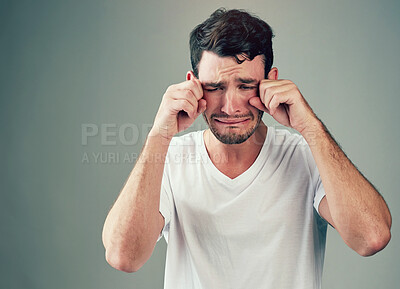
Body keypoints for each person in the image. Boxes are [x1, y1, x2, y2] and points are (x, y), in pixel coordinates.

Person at [102, 8, 392, 289]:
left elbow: (372, 238)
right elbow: (123, 256)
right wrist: (158, 136)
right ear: (193, 85)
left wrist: (311, 128)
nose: (230, 107)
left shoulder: (306, 155)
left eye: (245, 85)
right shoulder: (170, 158)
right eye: (215, 87)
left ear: (271, 81)